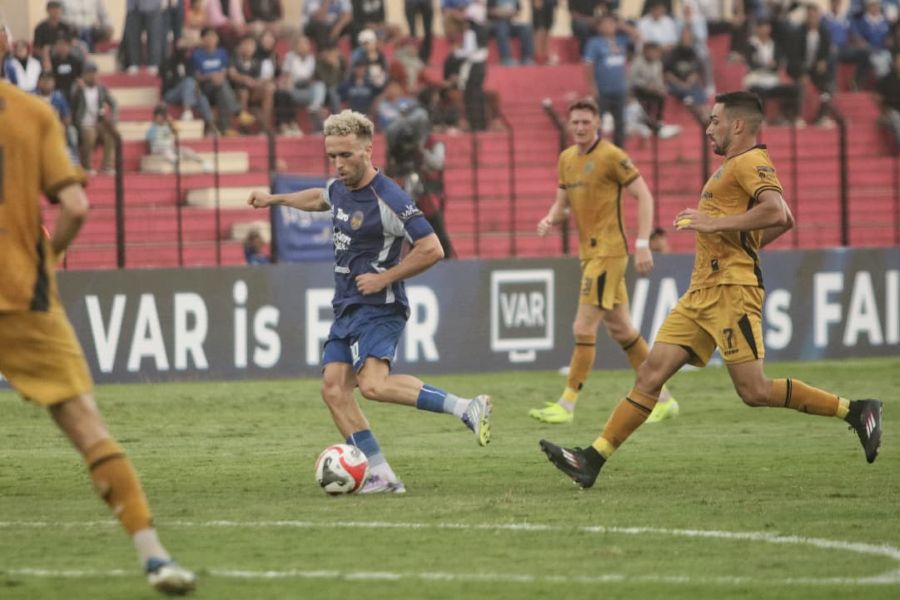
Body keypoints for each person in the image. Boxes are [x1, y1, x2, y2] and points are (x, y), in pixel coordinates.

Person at [539, 91, 883, 489]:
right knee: (650, 374)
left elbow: (777, 210)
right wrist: (739, 239)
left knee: (753, 390)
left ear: (737, 125)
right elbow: (781, 220)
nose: (708, 129)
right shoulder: (729, 168)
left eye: (715, 121)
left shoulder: (751, 160)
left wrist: (715, 225)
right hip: (701, 291)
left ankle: (857, 411)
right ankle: (591, 459)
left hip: (732, 292)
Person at [0, 27, 196, 594]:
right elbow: (77, 206)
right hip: (19, 294)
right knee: (87, 427)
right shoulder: (32, 114)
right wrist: (48, 255)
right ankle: (153, 554)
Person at [246, 110, 492, 493]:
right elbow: (318, 197)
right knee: (333, 389)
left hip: (380, 306)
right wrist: (274, 199)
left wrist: (384, 278)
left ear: (367, 149)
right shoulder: (341, 186)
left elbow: (432, 248)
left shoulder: (390, 198)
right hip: (346, 305)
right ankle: (381, 474)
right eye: (332, 156)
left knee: (373, 385)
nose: (339, 164)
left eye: (346, 155)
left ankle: (465, 407)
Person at [528, 97, 679, 425]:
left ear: (598, 124)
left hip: (609, 253)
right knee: (622, 329)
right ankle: (663, 398)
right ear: (569, 125)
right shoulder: (566, 159)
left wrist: (642, 244)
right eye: (576, 122)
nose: (580, 128)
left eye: (586, 122)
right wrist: (550, 219)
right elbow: (562, 204)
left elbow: (645, 195)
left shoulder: (612, 156)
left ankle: (566, 405)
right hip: (589, 254)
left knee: (583, 326)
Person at [71, 61, 118, 175]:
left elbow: (114, 103)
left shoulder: (101, 88)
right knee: (89, 135)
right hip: (83, 123)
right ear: (84, 75)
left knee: (111, 135)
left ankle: (107, 166)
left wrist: (113, 118)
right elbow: (72, 101)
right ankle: (87, 166)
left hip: (98, 122)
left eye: (95, 73)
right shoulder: (78, 88)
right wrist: (78, 90)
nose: (93, 76)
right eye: (90, 73)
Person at [146, 104, 211, 170]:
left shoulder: (168, 125)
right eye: (159, 116)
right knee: (167, 153)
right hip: (159, 150)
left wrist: (171, 122)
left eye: (163, 116)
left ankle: (202, 162)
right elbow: (149, 138)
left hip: (170, 148)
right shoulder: (153, 127)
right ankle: (176, 163)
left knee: (186, 150)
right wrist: (156, 125)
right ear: (155, 117)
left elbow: (177, 130)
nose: (161, 118)